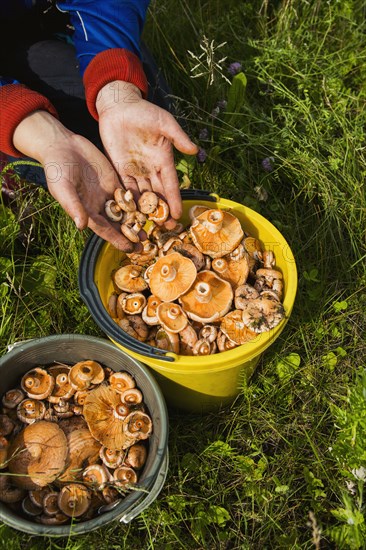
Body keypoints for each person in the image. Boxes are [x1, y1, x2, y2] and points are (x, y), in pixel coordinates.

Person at [0, 0, 198, 252]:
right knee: (84, 148)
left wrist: (117, 89)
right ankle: (11, 170)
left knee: (151, 103)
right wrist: (36, 131)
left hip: (53, 16)